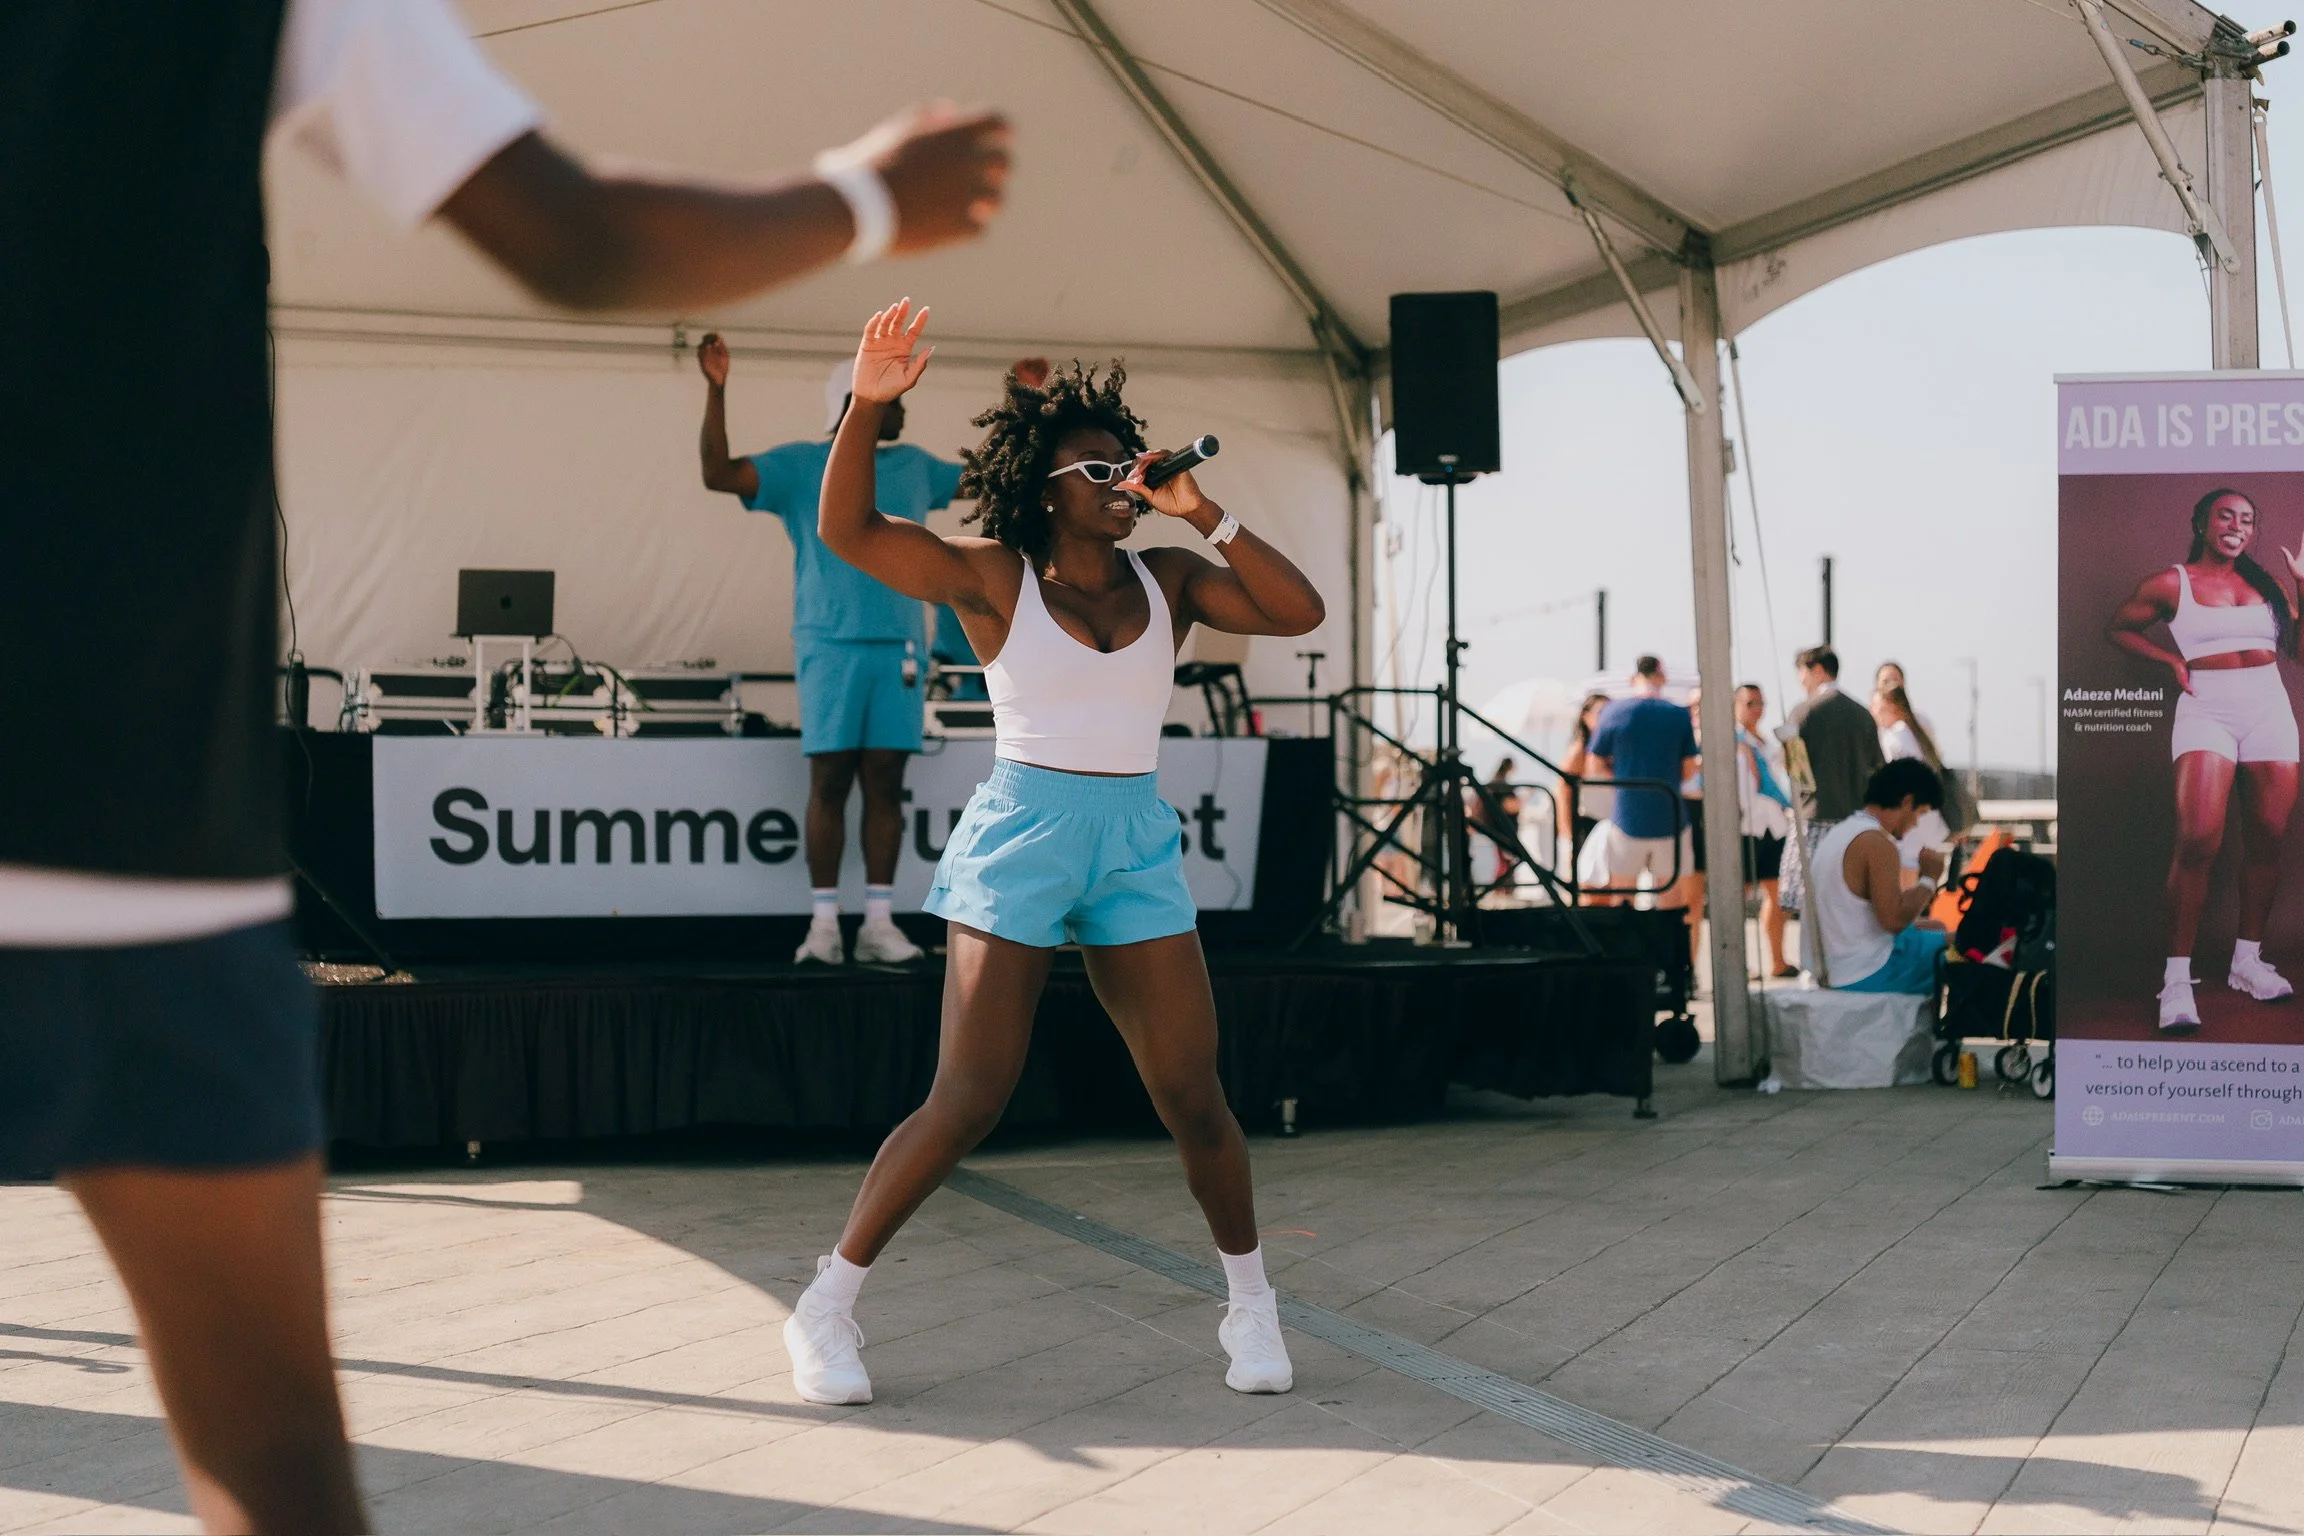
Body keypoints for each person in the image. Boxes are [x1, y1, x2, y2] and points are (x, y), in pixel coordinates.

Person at [0, 5, 1009, 1529]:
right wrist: (869, 193)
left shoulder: (922, 459)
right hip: (131, 817)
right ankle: (831, 916)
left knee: (878, 789)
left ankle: (860, 918)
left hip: (143, 844)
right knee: (276, 1470)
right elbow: (580, 240)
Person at [785, 301, 1325, 1406]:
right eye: (1101, 471)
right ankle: (826, 1306)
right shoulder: (996, 575)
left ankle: (1252, 1307)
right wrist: (866, 407)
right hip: (1023, 830)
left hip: (1132, 837)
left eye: (1131, 466)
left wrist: (1202, 510)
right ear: (1045, 489)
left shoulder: (1170, 577)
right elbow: (850, 533)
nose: (1125, 483)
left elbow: (1299, 610)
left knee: (1194, 1095)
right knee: (969, 1098)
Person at [698, 346, 1045, 963]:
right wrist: (717, 387)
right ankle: (823, 926)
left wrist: (1022, 403)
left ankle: (878, 924)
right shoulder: (801, 464)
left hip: (901, 650)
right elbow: (718, 474)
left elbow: (990, 474)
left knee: (886, 783)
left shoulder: (913, 465)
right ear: (861, 401)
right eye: (896, 400)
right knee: (830, 779)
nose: (904, 411)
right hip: (827, 645)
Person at [2107, 486, 2304, 1033]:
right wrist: (2169, 660)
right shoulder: (2172, 583)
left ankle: (2247, 961)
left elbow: (2300, 651)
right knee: (2197, 839)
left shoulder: (2266, 585)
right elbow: (2117, 627)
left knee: (2268, 836)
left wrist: (2301, 585)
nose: (2238, 526)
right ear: (2201, 523)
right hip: (2207, 710)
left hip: (2269, 710)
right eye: (2226, 516)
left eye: (2247, 519)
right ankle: (2176, 981)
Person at [1806, 760, 1951, 991]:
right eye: (1920, 813)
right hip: (1862, 972)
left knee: (1936, 926)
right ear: (1908, 802)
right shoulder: (1877, 843)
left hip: (1835, 964)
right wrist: (1929, 878)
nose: (1915, 824)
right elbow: (1893, 921)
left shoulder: (1842, 832)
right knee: (1959, 946)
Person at [1578, 657, 1698, 907]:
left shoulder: (1613, 712)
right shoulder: (1678, 714)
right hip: (1670, 817)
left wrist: (1621, 776)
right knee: (1672, 900)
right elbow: (1688, 771)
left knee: (1623, 899)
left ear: (1633, 679)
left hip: (1626, 817)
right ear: (1662, 678)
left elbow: (1594, 764)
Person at [1777, 646, 1885, 921]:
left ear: (1817, 670)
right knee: (1847, 901)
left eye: (1802, 672)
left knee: (1805, 901)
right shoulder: (1863, 714)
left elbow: (1794, 769)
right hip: (1856, 821)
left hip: (1814, 818)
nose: (1800, 680)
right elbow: (1878, 767)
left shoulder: (1804, 711)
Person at [1735, 683, 1797, 977]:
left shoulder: (1765, 742)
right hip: (1746, 826)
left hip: (1773, 825)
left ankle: (1777, 960)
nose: (1757, 710)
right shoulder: (1734, 740)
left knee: (1777, 891)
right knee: (1739, 895)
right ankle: (1737, 962)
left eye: (1760, 703)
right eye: (1750, 703)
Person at [1871, 684, 1953, 881]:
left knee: (1906, 879)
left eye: (1877, 708)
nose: (1873, 713)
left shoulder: (1894, 739)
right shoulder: (1914, 734)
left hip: (1909, 825)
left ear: (1891, 708)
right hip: (1926, 823)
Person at [1558, 690, 1614, 879]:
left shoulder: (1615, 749)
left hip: (1612, 824)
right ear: (1586, 716)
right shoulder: (1578, 751)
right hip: (1587, 824)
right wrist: (1567, 834)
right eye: (1601, 712)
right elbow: (1563, 793)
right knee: (1585, 881)